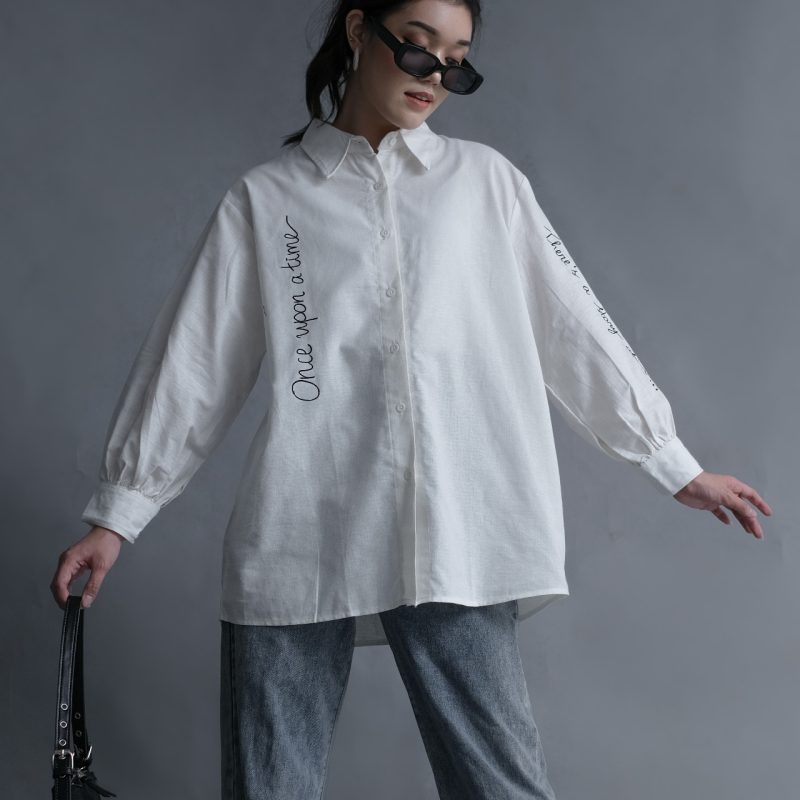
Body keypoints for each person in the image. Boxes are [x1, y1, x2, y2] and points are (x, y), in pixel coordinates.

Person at [51, 1, 773, 797]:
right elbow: (193, 363)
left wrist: (671, 461)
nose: (435, 79)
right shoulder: (269, 200)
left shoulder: (485, 185)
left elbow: (574, 325)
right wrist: (117, 514)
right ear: (360, 31)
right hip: (300, 532)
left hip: (456, 533)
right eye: (420, 50)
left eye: (456, 63)